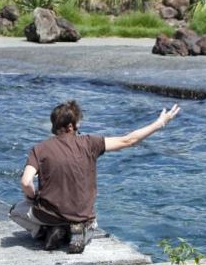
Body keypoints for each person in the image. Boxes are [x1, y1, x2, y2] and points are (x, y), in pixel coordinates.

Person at [9, 100, 180, 253]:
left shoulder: (39, 149)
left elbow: (25, 182)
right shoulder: (90, 143)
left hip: (49, 214)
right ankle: (79, 232)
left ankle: (47, 231)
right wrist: (160, 123)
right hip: (82, 216)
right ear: (72, 126)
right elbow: (129, 140)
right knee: (88, 222)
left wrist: (33, 197)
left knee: (15, 212)